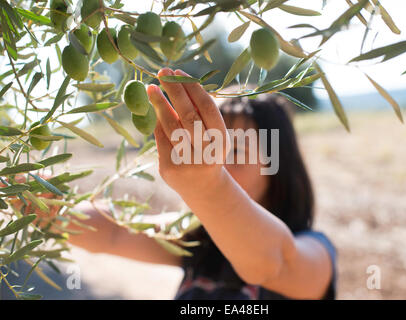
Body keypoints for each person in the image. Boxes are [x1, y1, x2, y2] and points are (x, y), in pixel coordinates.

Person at [61, 68, 337, 300]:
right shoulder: (198, 239)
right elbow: (115, 233)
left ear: (277, 164)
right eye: (211, 148)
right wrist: (49, 207)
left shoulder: (317, 250)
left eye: (235, 151)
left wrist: (209, 186)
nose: (217, 162)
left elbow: (274, 264)